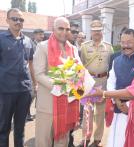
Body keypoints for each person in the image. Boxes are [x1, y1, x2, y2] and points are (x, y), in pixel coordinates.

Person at [34, 17, 80, 147]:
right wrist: (60, 86)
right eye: (61, 28)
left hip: (67, 105)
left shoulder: (73, 49)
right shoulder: (42, 47)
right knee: (43, 142)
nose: (64, 32)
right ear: (53, 29)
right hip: (47, 106)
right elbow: (38, 74)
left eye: (67, 29)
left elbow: (78, 72)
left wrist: (78, 83)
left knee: (63, 142)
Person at [0, 8, 34, 147]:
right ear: (7, 20)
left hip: (24, 91)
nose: (18, 22)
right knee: (3, 128)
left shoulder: (28, 41)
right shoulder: (1, 39)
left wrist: (34, 85)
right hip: (5, 91)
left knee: (20, 129)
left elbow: (31, 63)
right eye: (14, 19)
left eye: (21, 19)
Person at [78, 20, 113, 147]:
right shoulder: (84, 46)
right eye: (94, 30)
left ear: (102, 31)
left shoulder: (109, 47)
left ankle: (97, 139)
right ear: (91, 32)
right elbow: (80, 66)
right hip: (89, 83)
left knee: (100, 113)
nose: (97, 33)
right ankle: (85, 138)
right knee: (87, 112)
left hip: (103, 82)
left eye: (99, 30)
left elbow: (112, 67)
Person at [107, 28, 134, 147]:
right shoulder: (116, 60)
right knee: (117, 141)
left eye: (129, 42)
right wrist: (116, 100)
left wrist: (128, 106)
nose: (125, 46)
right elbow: (111, 81)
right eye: (122, 42)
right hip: (119, 108)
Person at [26, 28, 45, 121]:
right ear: (34, 35)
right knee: (32, 94)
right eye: (39, 34)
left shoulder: (44, 45)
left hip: (42, 72)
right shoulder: (31, 45)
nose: (41, 36)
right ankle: (27, 112)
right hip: (32, 71)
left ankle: (39, 111)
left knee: (40, 93)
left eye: (42, 34)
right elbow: (30, 60)